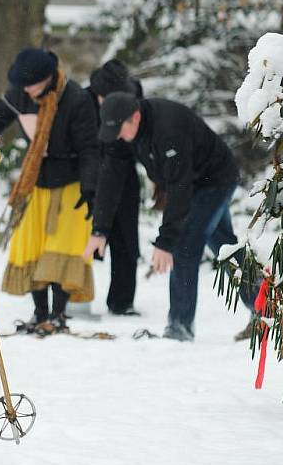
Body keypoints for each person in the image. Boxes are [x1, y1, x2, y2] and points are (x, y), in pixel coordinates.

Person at [84, 92, 256, 341]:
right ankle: (265, 307)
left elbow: (179, 187)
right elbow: (111, 179)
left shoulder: (168, 128)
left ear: (135, 117)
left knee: (184, 247)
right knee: (225, 247)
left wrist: (165, 242)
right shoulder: (122, 134)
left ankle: (179, 327)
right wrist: (99, 229)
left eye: (120, 130)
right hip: (187, 182)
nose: (118, 137)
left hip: (214, 181)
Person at [0, 48, 98, 336]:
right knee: (31, 246)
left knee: (62, 249)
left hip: (71, 184)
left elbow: (90, 149)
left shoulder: (75, 99)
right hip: (36, 183)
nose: (28, 90)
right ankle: (39, 312)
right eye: (24, 85)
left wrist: (91, 188)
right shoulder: (20, 94)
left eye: (33, 84)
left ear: (48, 78)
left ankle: (57, 314)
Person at [87, 59, 143, 315]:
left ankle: (122, 300)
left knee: (126, 238)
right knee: (91, 235)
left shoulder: (133, 95)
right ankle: (73, 294)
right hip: (96, 169)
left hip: (124, 167)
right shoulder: (88, 96)